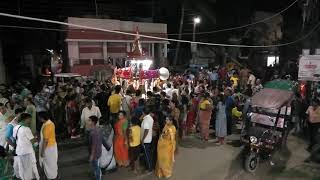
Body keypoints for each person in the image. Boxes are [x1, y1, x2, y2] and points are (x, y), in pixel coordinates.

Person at [13, 113, 40, 180]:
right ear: (26, 119)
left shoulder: (15, 127)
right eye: (30, 119)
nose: (30, 120)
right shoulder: (26, 129)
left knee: (22, 167)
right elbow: (32, 140)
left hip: (19, 151)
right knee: (30, 167)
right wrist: (37, 144)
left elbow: (14, 138)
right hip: (27, 151)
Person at [88, 116, 110, 180]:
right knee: (95, 166)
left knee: (97, 167)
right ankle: (97, 176)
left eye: (89, 120)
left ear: (93, 122)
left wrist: (92, 155)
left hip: (95, 153)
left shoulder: (93, 132)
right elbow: (102, 139)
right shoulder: (98, 129)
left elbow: (94, 145)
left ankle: (98, 178)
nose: (88, 122)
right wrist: (107, 147)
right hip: (96, 152)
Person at [38, 112, 58, 180]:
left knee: (49, 163)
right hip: (52, 146)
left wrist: (42, 152)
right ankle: (53, 175)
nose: (39, 119)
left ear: (42, 118)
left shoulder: (47, 126)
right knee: (52, 162)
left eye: (39, 117)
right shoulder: (50, 123)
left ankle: (51, 177)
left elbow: (45, 141)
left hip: (48, 148)